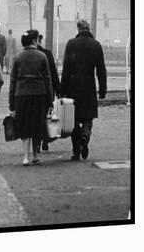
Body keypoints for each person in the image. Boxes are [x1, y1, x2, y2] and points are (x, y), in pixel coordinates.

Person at [60, 19, 107, 161]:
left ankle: (76, 152)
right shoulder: (96, 46)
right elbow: (101, 69)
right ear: (89, 29)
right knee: (88, 117)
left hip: (72, 87)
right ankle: (85, 135)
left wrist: (62, 89)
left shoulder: (71, 44)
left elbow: (66, 69)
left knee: (73, 119)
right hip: (88, 86)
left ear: (78, 29)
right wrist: (102, 89)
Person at [9, 30, 53, 166]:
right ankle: (35, 155)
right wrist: (50, 98)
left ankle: (25, 156)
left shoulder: (18, 57)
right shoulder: (42, 56)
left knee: (24, 124)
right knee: (36, 124)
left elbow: (13, 80)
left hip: (21, 94)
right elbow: (48, 79)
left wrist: (11, 101)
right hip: (39, 93)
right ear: (34, 40)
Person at [32, 30, 61, 152]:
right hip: (47, 90)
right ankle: (45, 140)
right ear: (40, 40)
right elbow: (53, 74)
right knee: (45, 115)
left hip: (33, 90)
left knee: (35, 116)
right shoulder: (47, 54)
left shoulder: (29, 54)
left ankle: (37, 142)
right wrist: (58, 90)